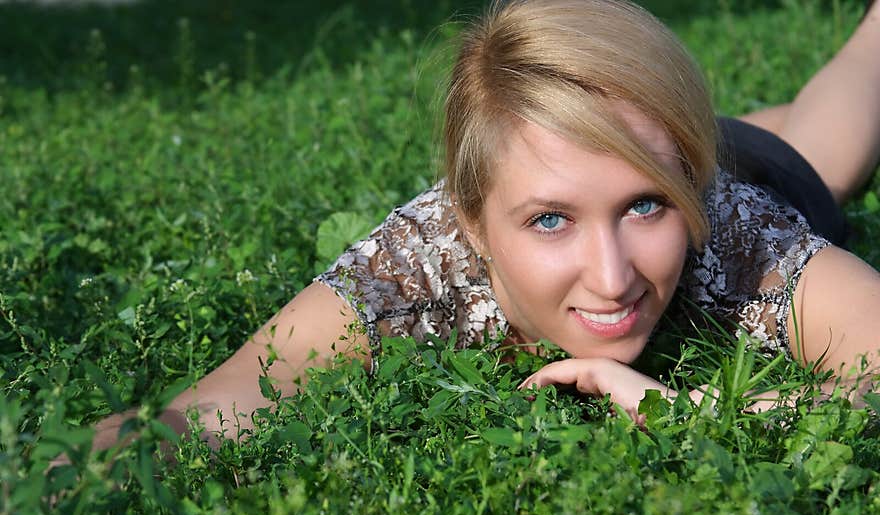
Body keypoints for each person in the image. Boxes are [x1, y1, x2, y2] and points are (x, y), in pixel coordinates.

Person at [86, 0, 880, 456]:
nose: (612, 277)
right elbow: (213, 408)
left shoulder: (738, 227)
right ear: (469, 218)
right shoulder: (413, 264)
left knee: (828, 145)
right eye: (549, 219)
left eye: (647, 207)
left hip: (746, 163)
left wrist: (688, 407)